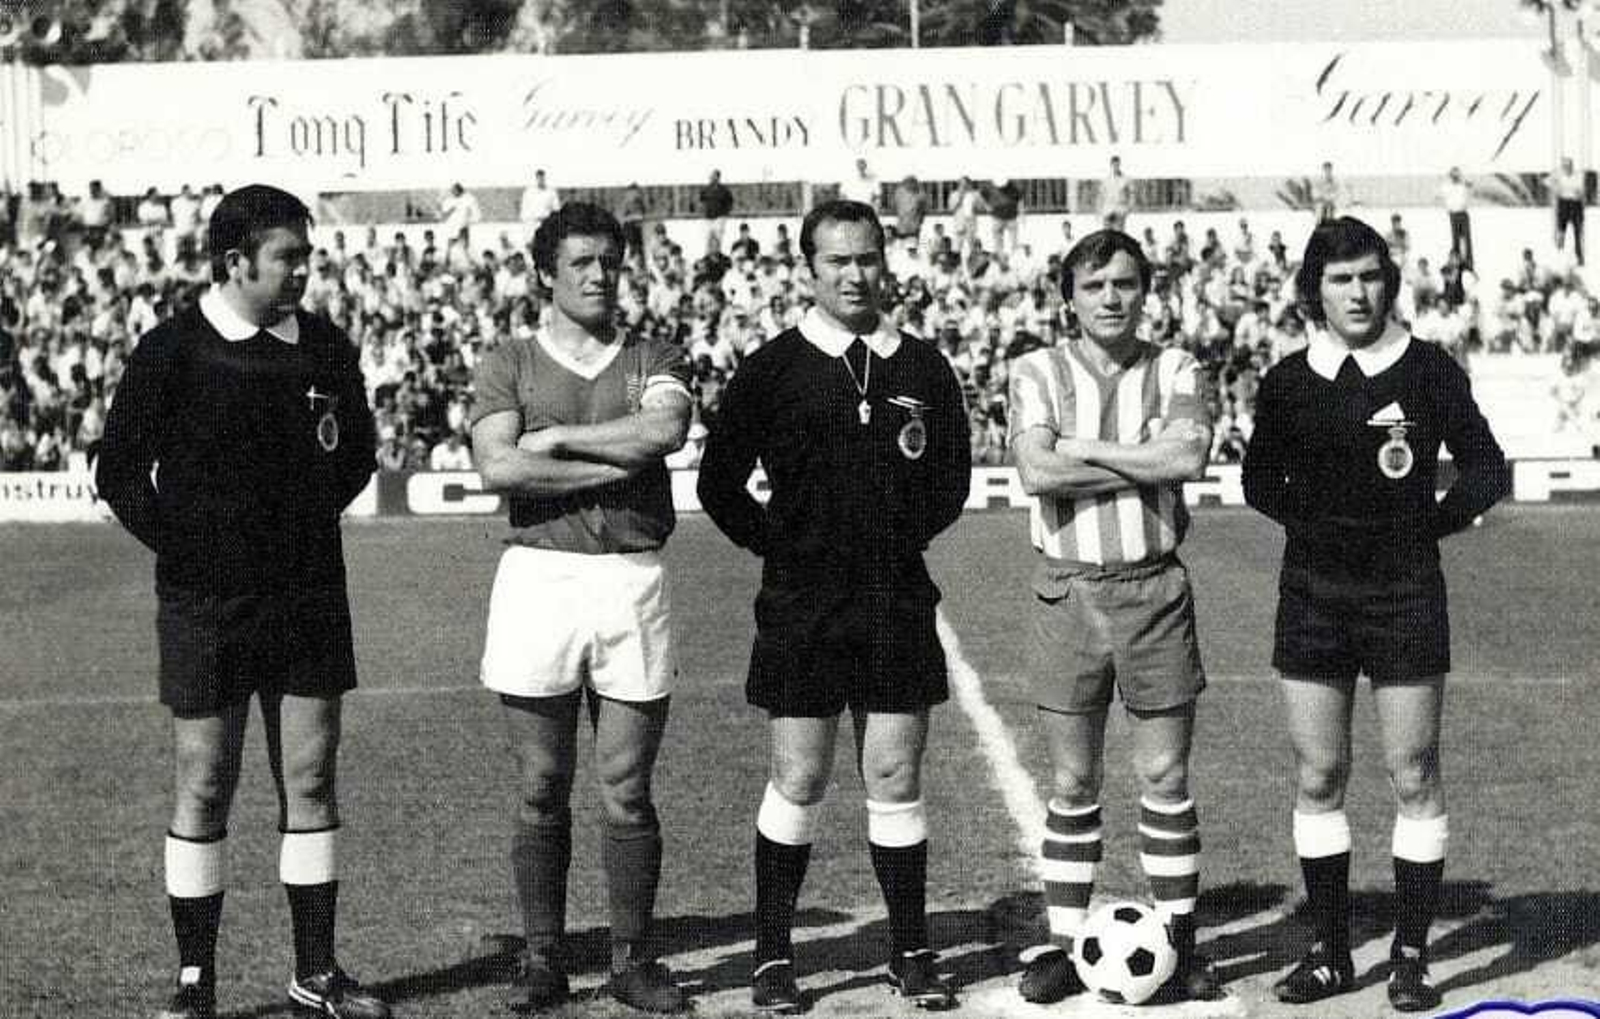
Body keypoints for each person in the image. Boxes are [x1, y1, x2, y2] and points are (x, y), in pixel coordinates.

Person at [94, 184, 387, 1019]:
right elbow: (118, 471)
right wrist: (189, 548)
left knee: (311, 776)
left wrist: (300, 521)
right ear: (235, 263)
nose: (303, 270)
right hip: (206, 603)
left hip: (307, 593)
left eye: (306, 255)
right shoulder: (173, 350)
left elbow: (357, 452)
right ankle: (195, 983)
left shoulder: (325, 345)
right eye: (287, 256)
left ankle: (315, 973)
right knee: (204, 779)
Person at [697, 199, 970, 1014]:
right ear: (808, 269)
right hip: (802, 601)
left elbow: (951, 480)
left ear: (885, 263)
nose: (855, 275)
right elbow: (718, 481)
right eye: (837, 261)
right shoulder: (774, 365)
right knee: (800, 775)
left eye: (868, 259)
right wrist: (779, 541)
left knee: (893, 772)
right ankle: (774, 956)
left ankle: (911, 949)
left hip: (894, 598)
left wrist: (893, 537)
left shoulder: (921, 365)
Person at [1242, 216, 1511, 1012]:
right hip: (1315, 593)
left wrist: (1427, 523)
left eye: (1368, 276)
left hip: (1405, 592)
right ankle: (1329, 951)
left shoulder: (1427, 369)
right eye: (1339, 279)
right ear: (1313, 290)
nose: (1356, 293)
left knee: (1413, 770)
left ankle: (1412, 953)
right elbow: (1259, 479)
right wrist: (1316, 523)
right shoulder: (1289, 379)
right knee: (1320, 772)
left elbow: (1488, 468)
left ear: (1387, 282)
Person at [469, 202, 694, 1014]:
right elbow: (500, 468)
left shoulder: (654, 354)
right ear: (545, 274)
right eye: (581, 264)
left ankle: (633, 960)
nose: (599, 276)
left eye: (609, 261)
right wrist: (614, 460)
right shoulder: (509, 363)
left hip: (633, 577)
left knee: (626, 786)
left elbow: (664, 430)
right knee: (540, 782)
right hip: (539, 577)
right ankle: (542, 957)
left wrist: (559, 440)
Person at [1005, 229, 1221, 1006]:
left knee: (1165, 774)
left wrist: (1085, 449)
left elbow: (1186, 460)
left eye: (1125, 284)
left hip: (1154, 588)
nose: (1110, 298)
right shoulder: (1034, 369)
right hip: (1068, 589)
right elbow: (1036, 470)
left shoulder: (1177, 367)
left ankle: (1180, 944)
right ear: (1070, 296)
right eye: (1094, 286)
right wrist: (1139, 453)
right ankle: (1067, 946)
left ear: (1144, 290)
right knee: (1073, 779)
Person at [1551, 156, 1586, 266]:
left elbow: (1579, 192)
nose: (1567, 168)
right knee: (1561, 231)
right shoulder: (1559, 176)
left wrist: (1565, 190)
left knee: (1577, 233)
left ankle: (1579, 257)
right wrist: (1559, 189)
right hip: (1564, 204)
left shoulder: (1578, 176)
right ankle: (1559, 251)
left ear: (1572, 166)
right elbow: (1554, 188)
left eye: (1569, 166)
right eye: (1565, 166)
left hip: (1575, 205)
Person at [1438, 167, 1473, 271]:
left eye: (1456, 175)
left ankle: (1468, 262)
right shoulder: (1446, 186)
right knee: (1456, 239)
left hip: (1463, 213)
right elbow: (1439, 195)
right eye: (1453, 175)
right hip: (1453, 214)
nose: (1455, 177)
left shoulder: (1464, 184)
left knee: (1466, 239)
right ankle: (1456, 262)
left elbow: (1471, 184)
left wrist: (1461, 178)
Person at [520, 168, 561, 243]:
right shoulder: (528, 192)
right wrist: (527, 226)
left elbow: (556, 209)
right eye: (538, 178)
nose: (540, 180)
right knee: (531, 246)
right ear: (536, 178)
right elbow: (523, 211)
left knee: (546, 248)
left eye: (542, 178)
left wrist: (549, 223)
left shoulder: (551, 192)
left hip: (547, 226)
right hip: (532, 225)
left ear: (545, 178)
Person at [699, 168, 734, 256]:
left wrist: (725, 214)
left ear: (718, 177)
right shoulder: (706, 189)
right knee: (707, 239)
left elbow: (730, 202)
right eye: (711, 176)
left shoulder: (724, 190)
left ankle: (718, 255)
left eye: (714, 176)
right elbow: (701, 201)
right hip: (708, 218)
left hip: (719, 218)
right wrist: (703, 212)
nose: (712, 178)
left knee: (718, 239)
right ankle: (707, 255)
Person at [1098, 156, 1131, 229]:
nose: (1116, 167)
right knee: (1107, 235)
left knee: (1119, 235)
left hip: (1120, 210)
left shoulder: (1125, 179)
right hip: (1108, 210)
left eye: (1117, 165)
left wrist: (1128, 209)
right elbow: (1101, 195)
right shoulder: (1106, 179)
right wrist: (1100, 210)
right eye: (1114, 165)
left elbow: (1129, 195)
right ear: (1111, 165)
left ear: (1120, 165)